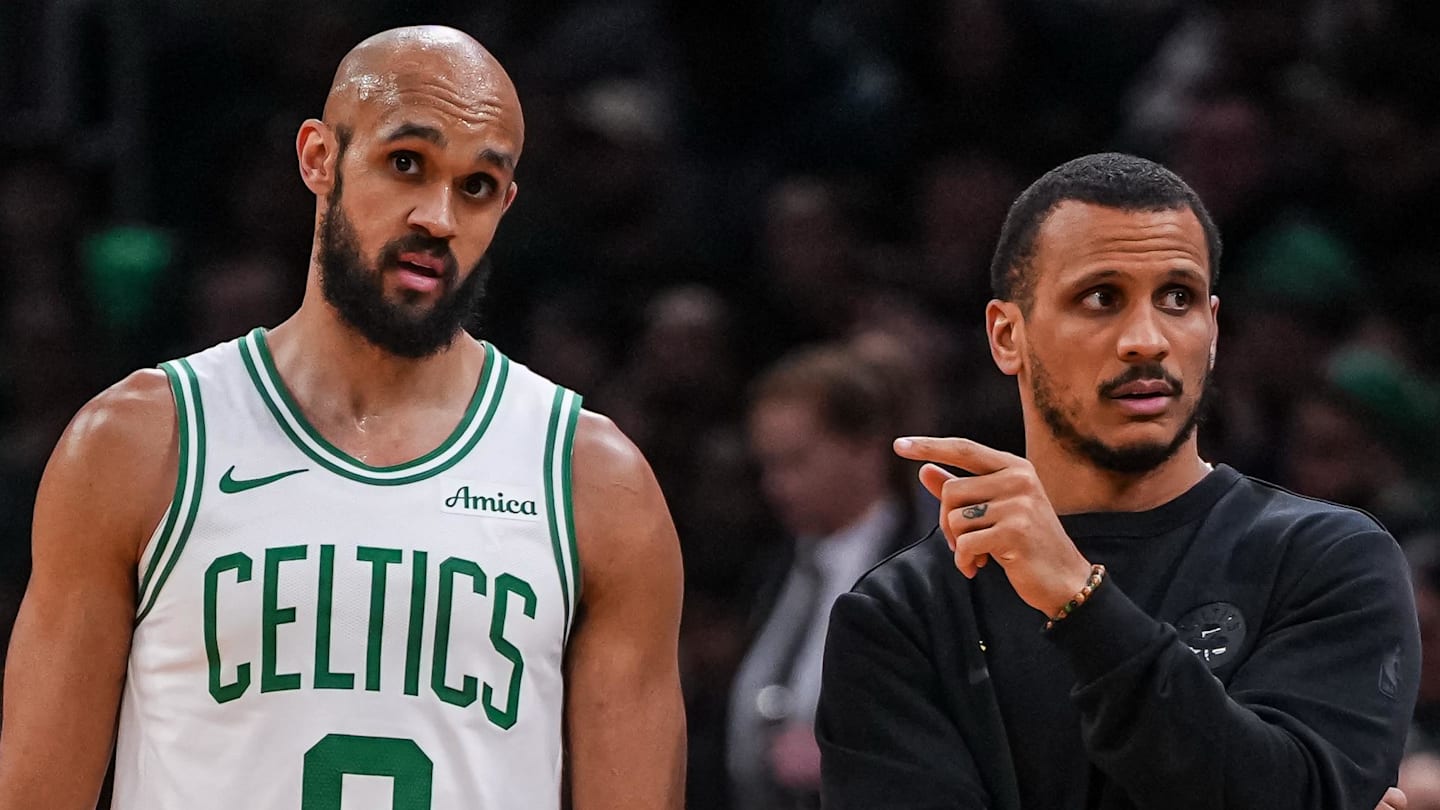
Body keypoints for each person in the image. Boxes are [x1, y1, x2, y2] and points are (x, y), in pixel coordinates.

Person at [0, 26, 685, 810]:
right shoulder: (139, 443)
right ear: (319, 157)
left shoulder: (594, 482)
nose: (438, 216)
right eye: (406, 164)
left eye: (477, 186)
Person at [815, 152, 1419, 810]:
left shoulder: (1329, 560)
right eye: (1101, 297)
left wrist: (1081, 602)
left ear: (1213, 330)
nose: (1146, 339)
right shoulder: (901, 614)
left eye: (1178, 298)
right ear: (1006, 334)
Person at [729, 343, 928, 810]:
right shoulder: (774, 565)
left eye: (795, 462)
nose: (775, 487)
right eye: (767, 465)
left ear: (865, 447)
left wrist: (851, 759)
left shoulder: (929, 566)